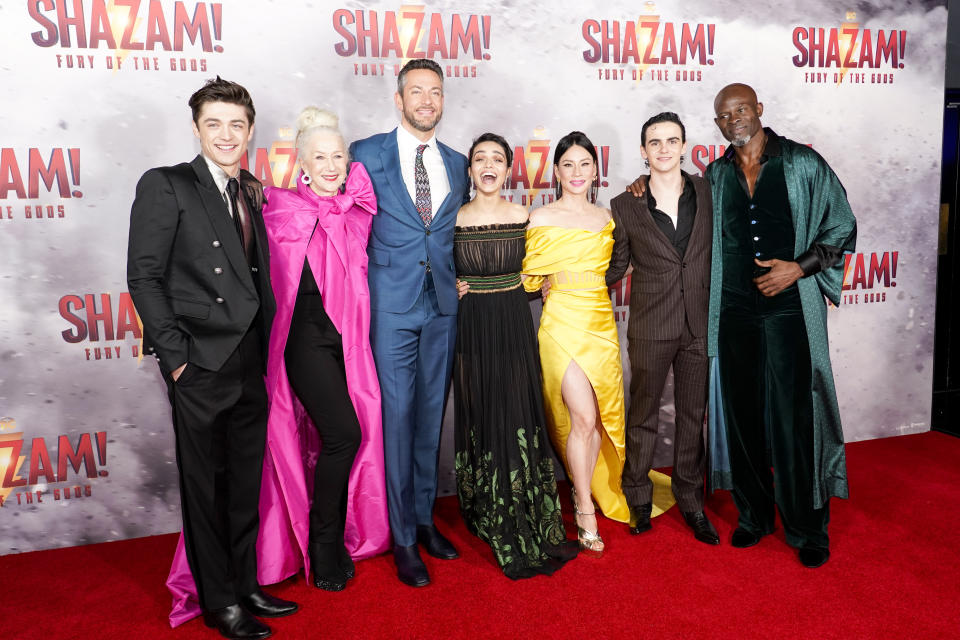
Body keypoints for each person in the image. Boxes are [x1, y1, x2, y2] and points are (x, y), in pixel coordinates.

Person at [127, 77, 297, 640]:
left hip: (250, 356)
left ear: (250, 131)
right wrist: (176, 358)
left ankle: (245, 583)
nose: (226, 135)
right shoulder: (167, 185)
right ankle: (217, 599)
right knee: (206, 486)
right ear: (197, 128)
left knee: (244, 481)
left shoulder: (250, 187)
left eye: (237, 125)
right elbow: (144, 276)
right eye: (214, 124)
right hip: (200, 360)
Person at [705, 83, 856, 567]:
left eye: (741, 110)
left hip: (791, 309)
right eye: (725, 116)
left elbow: (842, 225)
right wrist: (643, 185)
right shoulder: (714, 175)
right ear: (718, 124)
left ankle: (808, 526)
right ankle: (754, 516)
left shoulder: (802, 163)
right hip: (734, 312)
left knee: (796, 418)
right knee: (744, 416)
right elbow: (681, 210)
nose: (734, 121)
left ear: (759, 110)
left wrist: (800, 266)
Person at [256, 107, 390, 592]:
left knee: (348, 436)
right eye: (320, 157)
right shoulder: (281, 210)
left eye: (338, 156)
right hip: (305, 343)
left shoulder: (356, 210)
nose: (331, 165)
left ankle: (334, 534)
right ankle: (323, 540)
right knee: (344, 436)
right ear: (302, 164)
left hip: (349, 344)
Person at [348, 59, 470, 587]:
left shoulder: (459, 162)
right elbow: (341, 221)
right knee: (395, 423)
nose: (426, 100)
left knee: (428, 422)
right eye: (416, 91)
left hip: (441, 307)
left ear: (443, 101)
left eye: (435, 92)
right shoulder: (365, 153)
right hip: (391, 309)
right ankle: (400, 537)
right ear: (398, 99)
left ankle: (423, 521)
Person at [453, 133, 577, 579]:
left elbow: (550, 264)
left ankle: (522, 508)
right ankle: (485, 504)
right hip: (469, 329)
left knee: (514, 417)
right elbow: (428, 266)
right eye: (480, 158)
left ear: (509, 170)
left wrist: (547, 281)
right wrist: (448, 287)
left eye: (498, 159)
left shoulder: (528, 217)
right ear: (470, 169)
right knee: (482, 415)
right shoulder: (453, 218)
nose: (489, 165)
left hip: (512, 328)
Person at [607, 112, 720, 544]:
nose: (664, 149)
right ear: (643, 151)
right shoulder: (625, 204)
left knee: (694, 416)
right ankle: (637, 496)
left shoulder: (710, 193)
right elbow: (616, 265)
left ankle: (691, 501)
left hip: (698, 323)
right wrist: (564, 282)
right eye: (655, 142)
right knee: (644, 414)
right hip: (652, 325)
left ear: (684, 146)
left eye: (672, 141)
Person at [522, 131, 631, 557]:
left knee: (593, 419)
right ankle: (584, 507)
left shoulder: (607, 219)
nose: (577, 173)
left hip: (600, 323)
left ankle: (585, 491)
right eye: (568, 165)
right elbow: (527, 276)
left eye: (585, 164)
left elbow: (615, 265)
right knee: (582, 416)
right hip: (560, 324)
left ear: (596, 170)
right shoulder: (540, 218)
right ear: (556, 172)